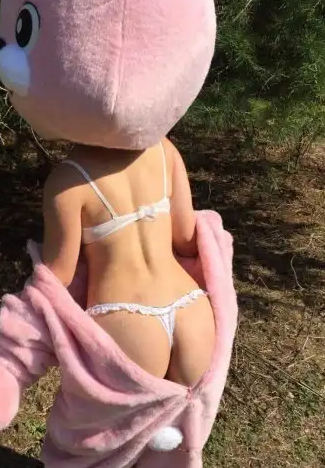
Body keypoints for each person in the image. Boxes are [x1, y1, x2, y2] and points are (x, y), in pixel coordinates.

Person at [0, 0, 238, 468]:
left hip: (127, 323)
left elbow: (55, 285)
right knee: (177, 447)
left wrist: (10, 355)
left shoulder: (68, 182)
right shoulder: (166, 152)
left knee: (88, 450)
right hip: (195, 316)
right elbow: (183, 236)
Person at [41, 140, 216, 387]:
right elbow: (186, 240)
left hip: (124, 316)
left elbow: (58, 276)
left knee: (99, 412)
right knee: (189, 407)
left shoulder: (66, 180)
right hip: (190, 308)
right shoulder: (164, 149)